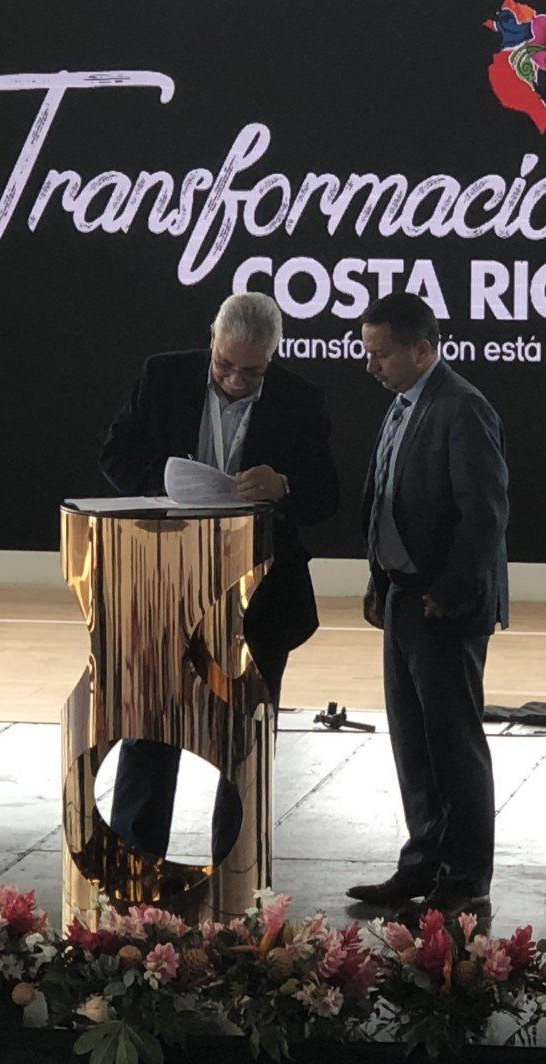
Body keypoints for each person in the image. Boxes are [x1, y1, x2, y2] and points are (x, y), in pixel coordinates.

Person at [99, 291, 340, 861]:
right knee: (151, 724)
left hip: (262, 597)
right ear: (211, 339)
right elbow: (115, 454)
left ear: (273, 357)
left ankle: (237, 870)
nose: (234, 379)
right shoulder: (163, 376)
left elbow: (327, 493)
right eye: (225, 364)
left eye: (251, 370)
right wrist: (163, 489)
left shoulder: (300, 399)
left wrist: (284, 486)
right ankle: (136, 866)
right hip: (169, 583)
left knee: (245, 743)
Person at [344, 291, 509, 920]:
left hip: (444, 605)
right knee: (413, 742)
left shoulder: (463, 408)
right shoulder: (403, 405)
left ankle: (465, 876)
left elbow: (485, 513)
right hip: (404, 597)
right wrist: (380, 579)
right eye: (367, 352)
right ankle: (421, 865)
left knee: (453, 743)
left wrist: (448, 591)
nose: (370, 367)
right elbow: (387, 497)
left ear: (422, 348)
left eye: (381, 354)